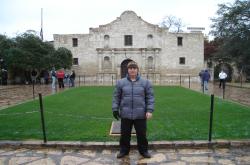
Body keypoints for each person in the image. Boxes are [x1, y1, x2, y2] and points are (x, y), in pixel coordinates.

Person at [112, 61, 154, 159]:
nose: (132, 70)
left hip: (140, 114)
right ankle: (124, 150)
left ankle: (143, 151)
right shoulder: (121, 82)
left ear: (137, 69)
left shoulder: (145, 82)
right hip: (126, 114)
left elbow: (150, 97)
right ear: (128, 70)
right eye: (130, 68)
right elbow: (116, 97)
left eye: (134, 68)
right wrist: (115, 108)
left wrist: (149, 110)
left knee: (142, 134)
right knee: (125, 134)